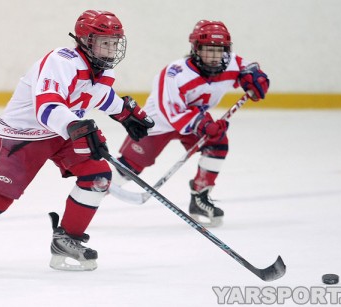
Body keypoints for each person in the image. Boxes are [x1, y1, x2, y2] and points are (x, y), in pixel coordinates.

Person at [0, 10, 154, 271]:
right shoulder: (61, 62)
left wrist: (125, 112)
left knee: (98, 176)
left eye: (114, 43)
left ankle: (67, 239)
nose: (110, 50)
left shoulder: (101, 69)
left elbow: (98, 95)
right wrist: (76, 126)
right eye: (104, 42)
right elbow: (47, 108)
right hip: (23, 135)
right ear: (86, 40)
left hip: (63, 132)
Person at [112, 19, 269, 227]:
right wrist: (202, 124)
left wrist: (255, 77)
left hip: (195, 121)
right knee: (129, 167)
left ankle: (200, 196)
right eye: (208, 50)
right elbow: (171, 112)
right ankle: (90, 194)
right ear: (195, 49)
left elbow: (247, 68)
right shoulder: (174, 73)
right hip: (157, 123)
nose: (215, 57)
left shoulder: (229, 63)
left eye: (220, 50)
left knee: (217, 143)